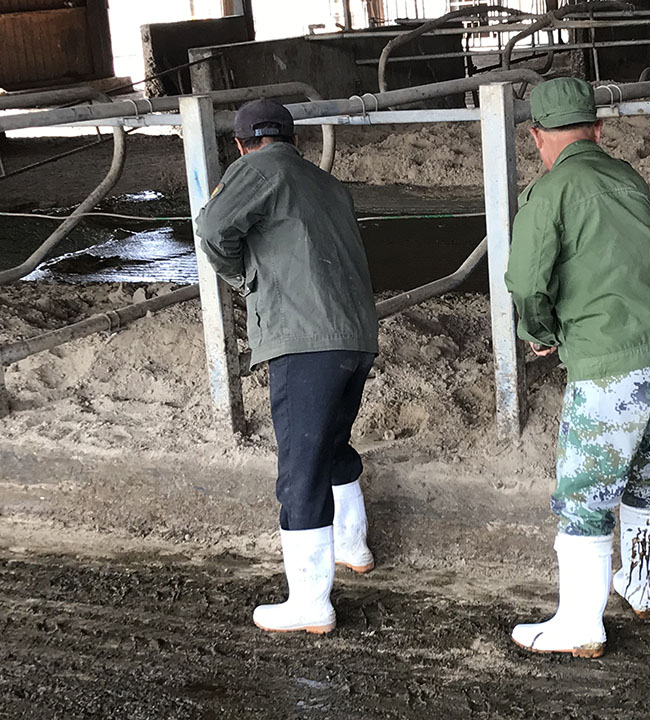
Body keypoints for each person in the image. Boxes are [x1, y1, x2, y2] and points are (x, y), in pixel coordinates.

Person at [504, 78, 650, 658]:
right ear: (598, 130)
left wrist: (539, 334)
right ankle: (640, 584)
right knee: (646, 475)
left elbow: (528, 282)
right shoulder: (628, 178)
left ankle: (580, 623)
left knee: (585, 493)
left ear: (537, 137)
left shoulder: (549, 192)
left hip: (611, 359)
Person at [195, 99, 379, 634]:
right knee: (331, 442)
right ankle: (352, 545)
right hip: (355, 334)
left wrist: (241, 279)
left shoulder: (256, 168)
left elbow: (212, 230)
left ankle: (310, 603)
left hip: (303, 337)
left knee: (300, 463)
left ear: (240, 143)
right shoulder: (325, 183)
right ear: (295, 138)